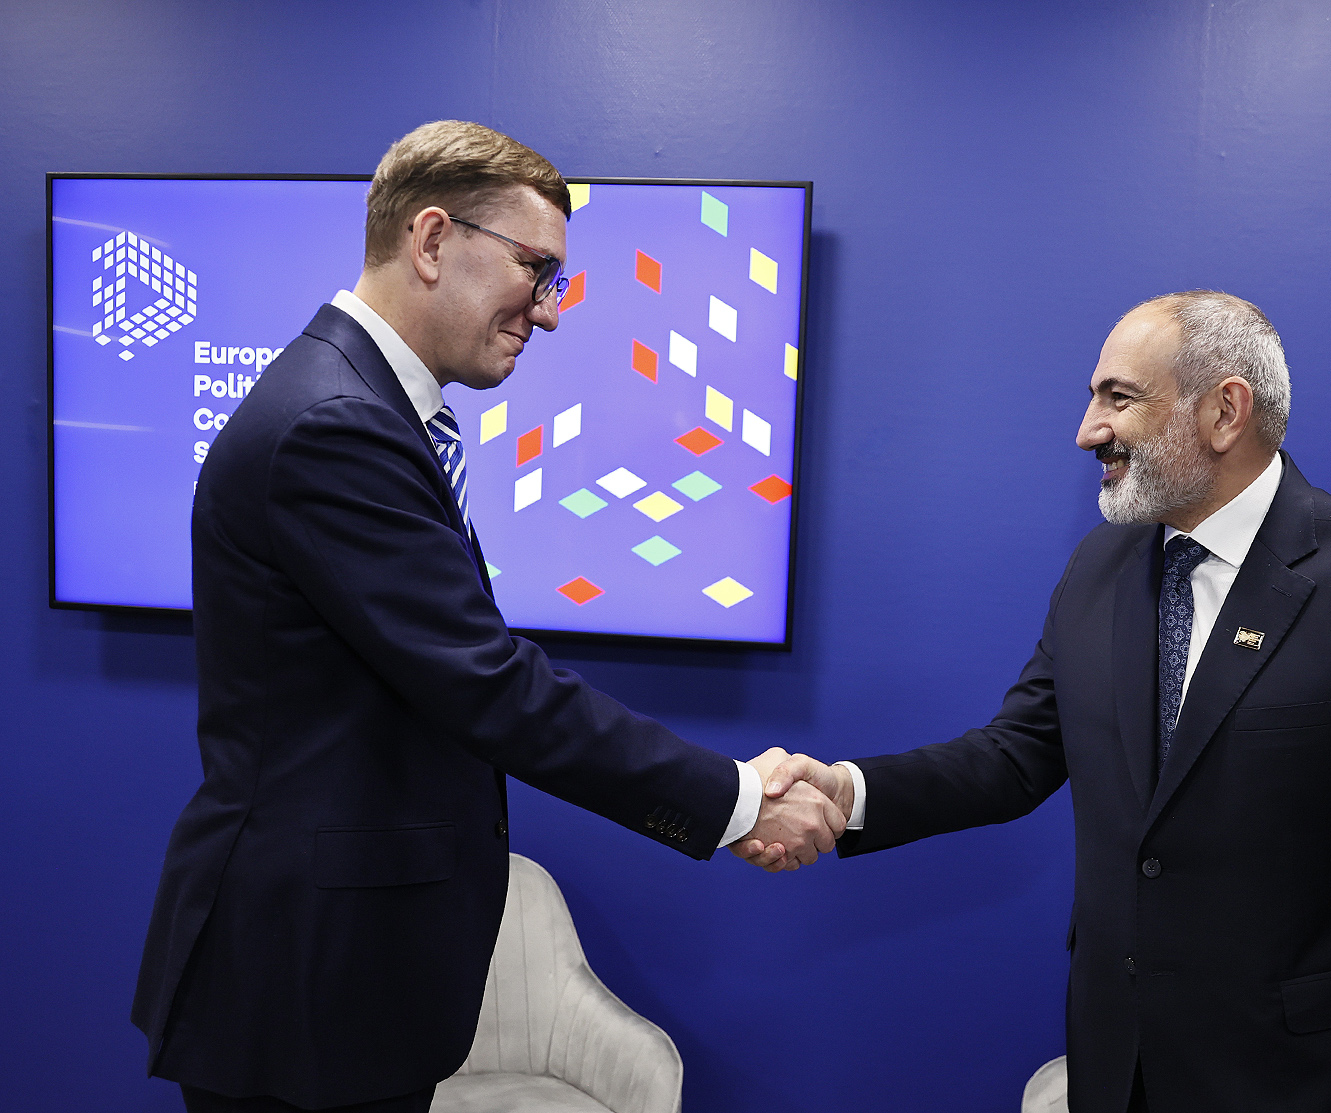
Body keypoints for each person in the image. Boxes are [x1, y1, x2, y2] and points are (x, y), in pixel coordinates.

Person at [131, 121, 845, 1113]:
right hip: (304, 982)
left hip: (337, 977)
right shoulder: (335, 424)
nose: (548, 312)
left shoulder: (359, 404)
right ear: (431, 240)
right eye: (536, 269)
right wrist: (733, 799)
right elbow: (490, 684)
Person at [744, 291, 1331, 1113]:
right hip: (1120, 1069)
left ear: (1225, 412)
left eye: (1119, 397)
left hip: (1303, 1080)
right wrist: (848, 791)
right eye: (1093, 397)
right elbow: (1013, 755)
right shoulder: (1100, 567)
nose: (1088, 430)